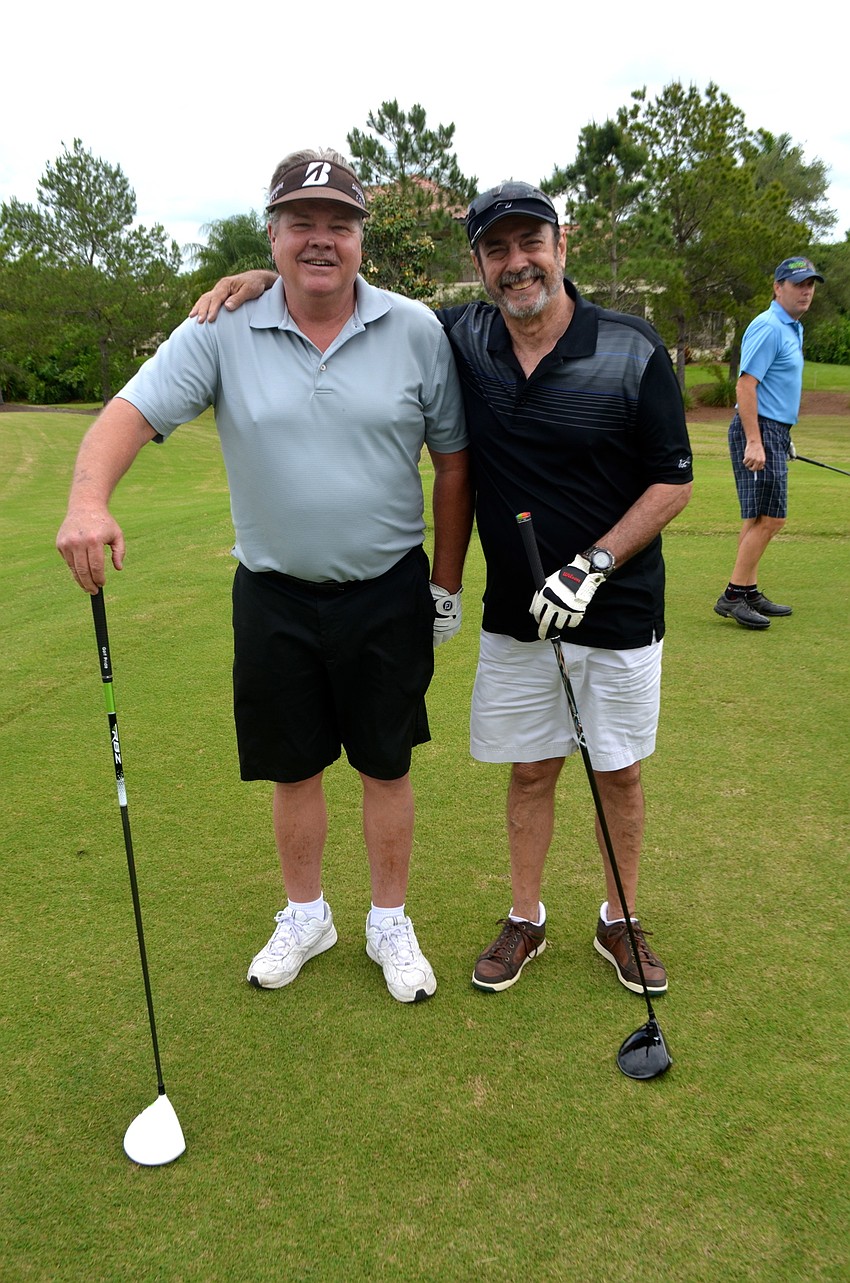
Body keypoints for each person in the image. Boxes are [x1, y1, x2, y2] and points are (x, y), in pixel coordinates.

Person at [191, 180, 693, 1000]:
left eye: (531, 244)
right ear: (481, 264)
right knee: (530, 770)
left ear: (561, 247)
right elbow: (348, 295)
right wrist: (261, 280)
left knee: (620, 772)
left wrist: (593, 563)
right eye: (497, 249)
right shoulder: (458, 336)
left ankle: (620, 918)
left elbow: (673, 482)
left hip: (618, 605)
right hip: (518, 610)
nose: (516, 263)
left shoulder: (631, 347)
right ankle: (525, 917)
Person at [57, 148, 472, 1005]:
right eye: (301, 223)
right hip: (275, 592)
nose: (321, 240)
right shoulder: (222, 328)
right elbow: (129, 412)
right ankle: (307, 912)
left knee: (388, 765)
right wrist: (87, 500)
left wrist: (445, 582)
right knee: (294, 767)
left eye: (339, 225)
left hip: (387, 588)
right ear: (273, 234)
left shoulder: (416, 329)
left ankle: (388, 919)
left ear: (363, 238)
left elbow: (454, 464)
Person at [714, 256, 824, 629]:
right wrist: (755, 441)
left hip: (774, 430)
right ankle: (732, 595)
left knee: (758, 516)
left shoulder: (793, 327)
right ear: (778, 288)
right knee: (773, 518)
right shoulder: (769, 326)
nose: (806, 291)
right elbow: (746, 385)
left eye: (810, 284)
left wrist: (783, 436)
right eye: (798, 284)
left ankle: (748, 590)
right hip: (758, 429)